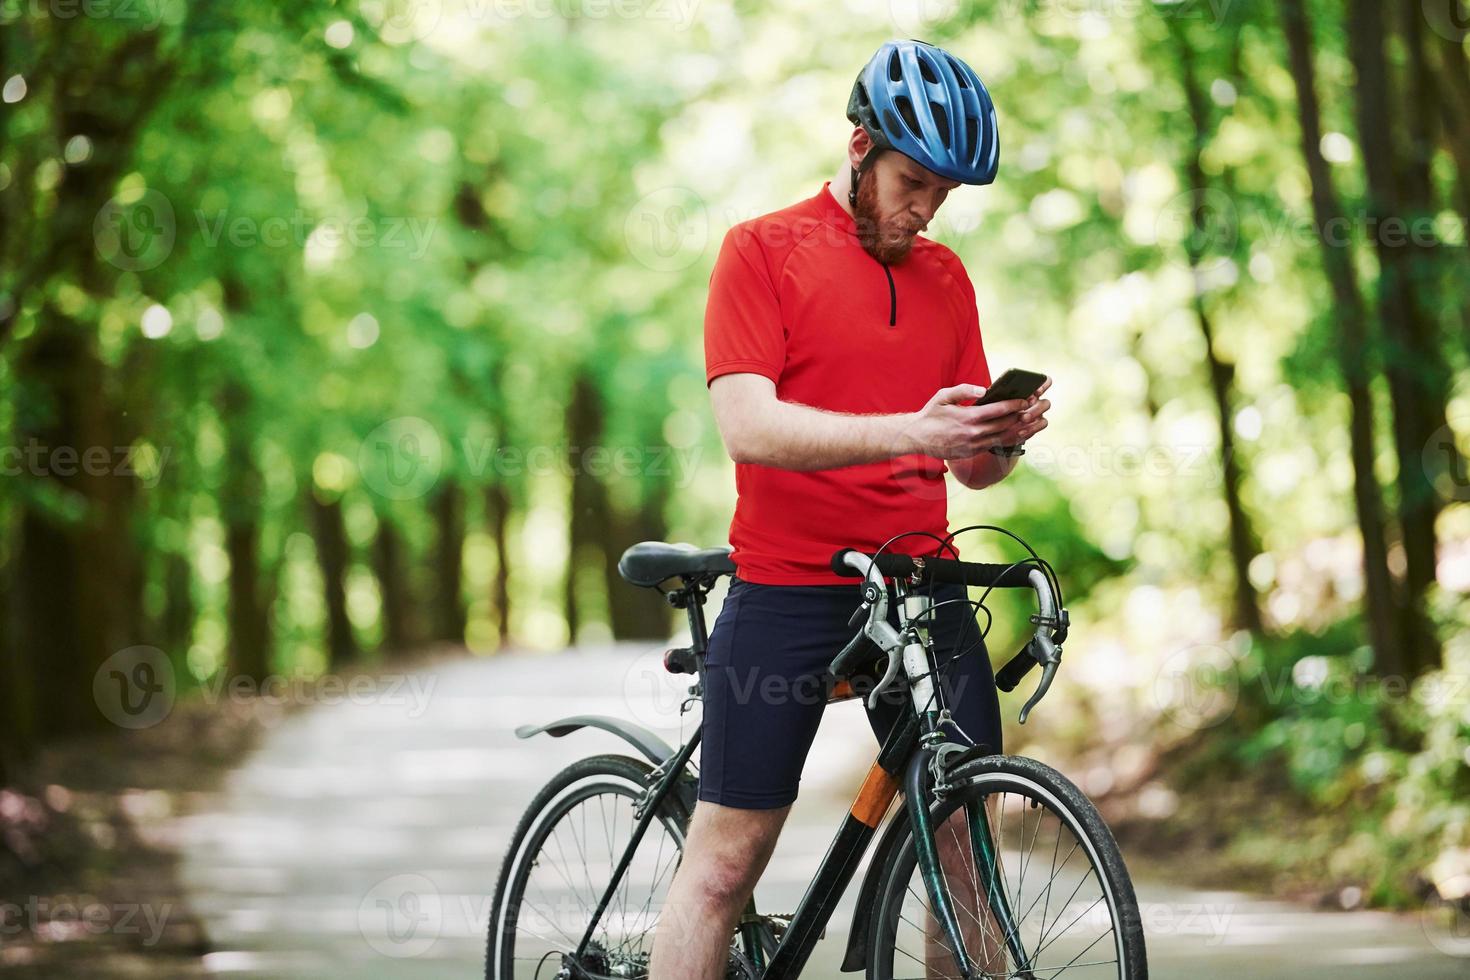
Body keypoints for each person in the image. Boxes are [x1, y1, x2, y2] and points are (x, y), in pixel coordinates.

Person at [647, 39, 1051, 979]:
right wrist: (914, 431)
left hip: (922, 587)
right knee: (725, 864)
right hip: (791, 586)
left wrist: (1000, 438)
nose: (925, 209)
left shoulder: (946, 277)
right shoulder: (761, 251)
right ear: (861, 146)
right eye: (913, 181)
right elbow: (748, 427)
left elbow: (974, 472)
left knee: (966, 858)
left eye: (944, 194)